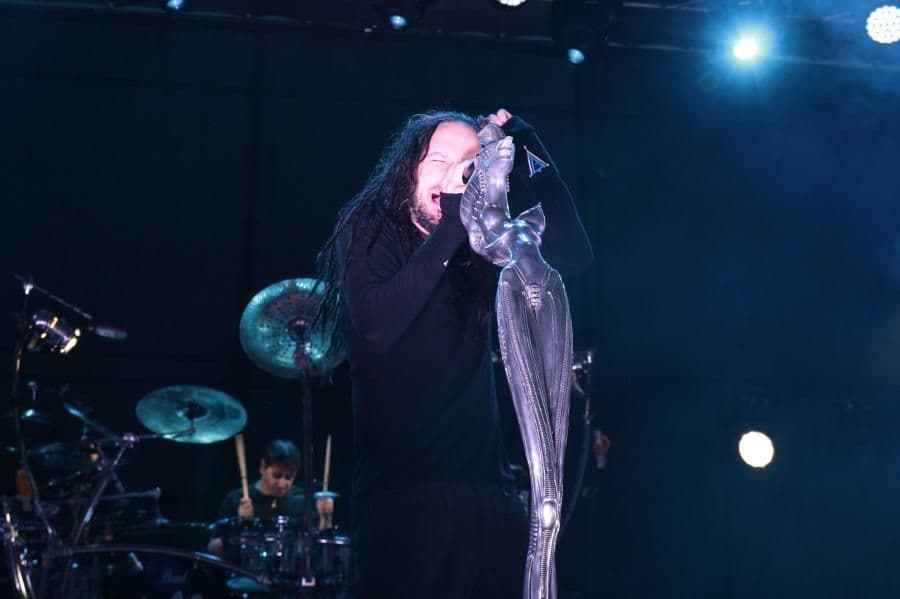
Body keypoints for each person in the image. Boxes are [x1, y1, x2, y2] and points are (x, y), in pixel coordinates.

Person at [315, 108, 593, 598]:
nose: (453, 174)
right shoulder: (373, 229)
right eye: (437, 160)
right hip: (407, 500)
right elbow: (377, 326)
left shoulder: (477, 251)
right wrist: (453, 221)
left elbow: (573, 254)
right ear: (408, 172)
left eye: (468, 163)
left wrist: (528, 144)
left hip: (487, 495)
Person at [207, 439, 304, 557]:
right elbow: (212, 548)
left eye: (289, 477)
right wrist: (239, 526)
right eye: (276, 476)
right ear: (263, 467)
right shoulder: (236, 499)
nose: (282, 484)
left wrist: (324, 517)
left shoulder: (301, 500)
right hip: (243, 568)